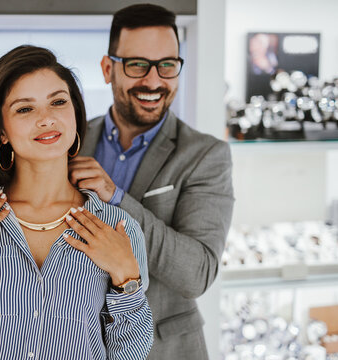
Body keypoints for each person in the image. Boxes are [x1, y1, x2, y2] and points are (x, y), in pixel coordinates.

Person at [0, 45, 153, 359]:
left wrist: (127, 277)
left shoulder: (118, 229)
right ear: (1, 130)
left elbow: (130, 355)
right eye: (25, 109)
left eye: (58, 102)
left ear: (75, 113)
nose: (47, 119)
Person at [68, 4, 234, 360]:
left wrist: (115, 198)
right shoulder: (71, 139)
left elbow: (197, 273)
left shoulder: (206, 155)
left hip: (164, 349)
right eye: (138, 65)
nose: (154, 81)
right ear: (108, 69)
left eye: (167, 65)